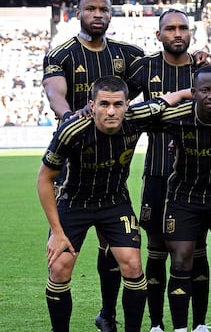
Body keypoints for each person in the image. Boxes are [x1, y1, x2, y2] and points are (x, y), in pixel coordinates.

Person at [37, 75, 184, 332]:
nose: (111, 111)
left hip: (114, 200)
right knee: (59, 268)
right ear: (92, 106)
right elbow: (44, 179)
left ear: (128, 104)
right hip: (74, 202)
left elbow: (173, 98)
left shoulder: (137, 117)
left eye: (118, 104)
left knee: (132, 264)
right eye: (104, 104)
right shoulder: (72, 129)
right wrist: (57, 233)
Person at [42, 0, 145, 331]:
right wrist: (69, 116)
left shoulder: (128, 54)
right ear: (78, 11)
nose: (98, 14)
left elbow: (161, 74)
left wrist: (197, 61)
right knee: (60, 265)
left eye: (104, 9)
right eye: (91, 9)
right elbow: (55, 91)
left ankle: (109, 315)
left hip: (113, 181)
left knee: (119, 255)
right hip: (76, 176)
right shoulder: (63, 53)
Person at [138, 65, 211, 332]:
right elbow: (137, 114)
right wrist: (178, 96)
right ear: (193, 92)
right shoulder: (177, 116)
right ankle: (180, 328)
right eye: (204, 90)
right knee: (180, 260)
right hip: (183, 196)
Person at [125, 8, 211, 332]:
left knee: (196, 249)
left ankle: (199, 323)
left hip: (197, 178)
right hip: (158, 173)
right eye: (170, 28)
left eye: (183, 28)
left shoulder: (204, 69)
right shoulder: (145, 68)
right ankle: (158, 324)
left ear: (191, 33)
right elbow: (122, 105)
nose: (178, 33)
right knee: (157, 249)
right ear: (158, 34)